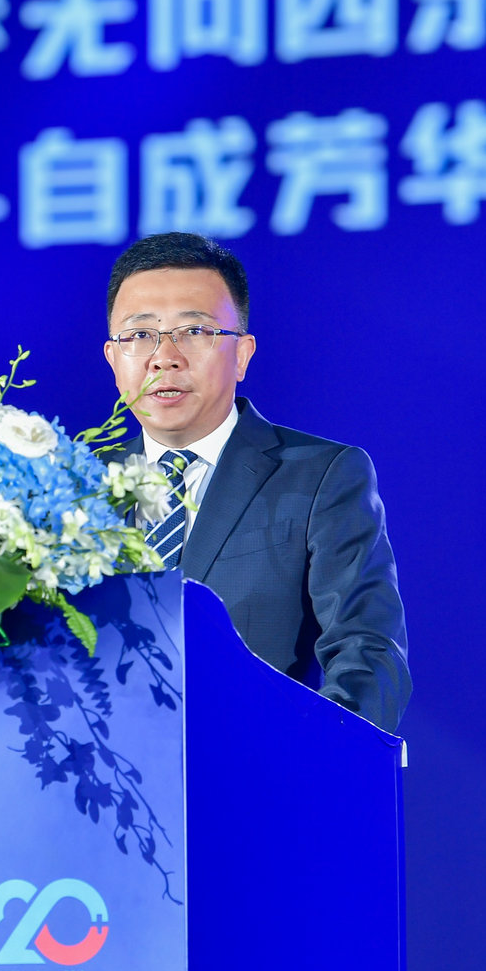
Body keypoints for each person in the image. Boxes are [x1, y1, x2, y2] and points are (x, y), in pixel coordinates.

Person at [102, 232, 411, 733]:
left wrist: (306, 761)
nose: (164, 356)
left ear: (242, 354)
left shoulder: (322, 476)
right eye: (139, 335)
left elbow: (367, 651)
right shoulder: (71, 487)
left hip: (255, 764)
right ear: (114, 358)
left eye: (194, 331)